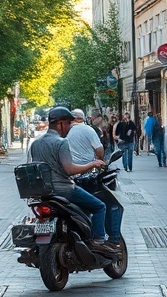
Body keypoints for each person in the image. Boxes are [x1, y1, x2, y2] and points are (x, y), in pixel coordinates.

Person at [28, 106, 120, 250]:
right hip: (64, 190)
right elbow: (69, 169)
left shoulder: (36, 143)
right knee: (99, 207)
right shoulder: (61, 142)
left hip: (43, 192)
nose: (70, 127)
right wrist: (93, 164)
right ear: (60, 124)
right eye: (69, 123)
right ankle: (98, 241)